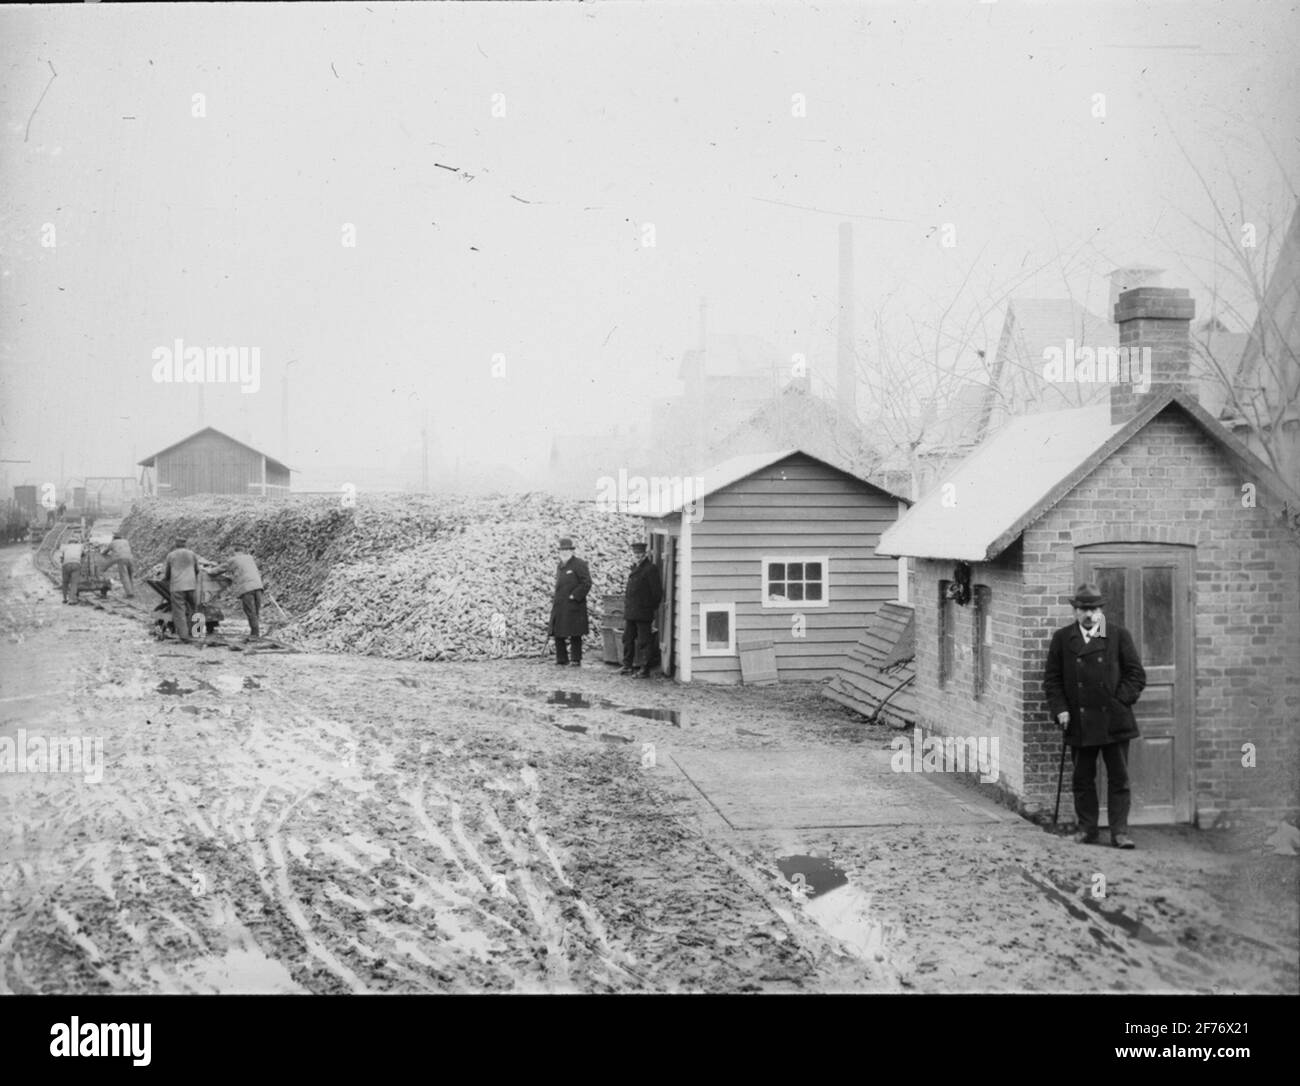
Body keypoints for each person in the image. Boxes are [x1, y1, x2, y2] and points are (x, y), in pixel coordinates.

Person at [1043, 583, 1147, 849]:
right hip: (1079, 721)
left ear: (1101, 611)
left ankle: (1119, 833)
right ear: (1075, 611)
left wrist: (1118, 702)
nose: (1089, 615)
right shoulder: (1062, 639)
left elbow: (1136, 675)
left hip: (1114, 721)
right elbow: (1052, 681)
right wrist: (1061, 710)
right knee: (1082, 778)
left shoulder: (1117, 635)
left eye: (1093, 609)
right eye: (1083, 609)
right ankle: (1087, 829)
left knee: (1119, 779)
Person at [620, 540, 663, 677]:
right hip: (631, 611)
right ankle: (627, 666)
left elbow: (657, 593)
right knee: (627, 639)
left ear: (645, 554)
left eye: (640, 554)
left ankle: (645, 669)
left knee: (645, 641)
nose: (637, 556)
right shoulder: (634, 568)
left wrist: (649, 607)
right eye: (635, 554)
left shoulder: (650, 569)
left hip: (643, 612)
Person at [548, 537, 591, 667]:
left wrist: (574, 596)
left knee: (575, 632)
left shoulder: (579, 564)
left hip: (574, 605)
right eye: (562, 550)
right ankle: (561, 659)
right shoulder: (560, 565)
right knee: (558, 631)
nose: (565, 552)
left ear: (572, 551)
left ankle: (575, 659)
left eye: (567, 550)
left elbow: (586, 583)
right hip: (561, 604)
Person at [216, 551, 264, 641]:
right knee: (256, 611)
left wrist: (209, 571)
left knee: (250, 612)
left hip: (246, 588)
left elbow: (219, 569)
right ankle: (255, 633)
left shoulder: (233, 560)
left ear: (234, 552)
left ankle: (255, 635)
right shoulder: (250, 558)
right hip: (258, 586)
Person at [164, 537, 200, 643]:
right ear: (185, 544)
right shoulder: (192, 554)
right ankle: (197, 632)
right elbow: (197, 570)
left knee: (179, 611)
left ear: (176, 545)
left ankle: (184, 636)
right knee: (195, 608)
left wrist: (166, 579)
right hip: (191, 585)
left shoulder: (171, 555)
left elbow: (168, 572)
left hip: (177, 587)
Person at [99, 533, 135, 598]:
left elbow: (105, 552)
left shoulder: (113, 543)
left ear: (114, 538)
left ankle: (129, 594)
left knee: (124, 576)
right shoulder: (126, 541)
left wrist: (103, 568)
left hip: (121, 558)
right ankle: (132, 591)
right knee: (130, 576)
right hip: (130, 558)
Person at [59, 533, 84, 604]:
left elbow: (61, 558)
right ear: (76, 542)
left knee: (65, 582)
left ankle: (64, 599)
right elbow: (83, 555)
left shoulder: (64, 546)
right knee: (74, 583)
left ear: (69, 542)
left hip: (66, 565)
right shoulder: (80, 546)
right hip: (76, 564)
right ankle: (72, 599)